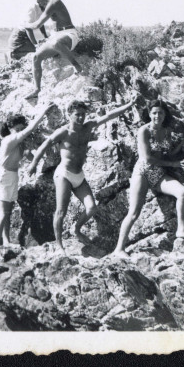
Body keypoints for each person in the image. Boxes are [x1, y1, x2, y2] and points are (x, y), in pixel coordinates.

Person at [26, 97, 137, 254]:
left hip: (79, 175)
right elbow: (45, 145)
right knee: (61, 211)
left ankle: (76, 229)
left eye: (83, 114)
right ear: (70, 114)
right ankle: (59, 246)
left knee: (92, 207)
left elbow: (109, 116)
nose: (81, 117)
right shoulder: (63, 132)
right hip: (63, 174)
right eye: (77, 114)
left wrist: (129, 105)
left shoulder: (88, 127)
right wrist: (33, 165)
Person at [112, 99, 184, 257]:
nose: (157, 115)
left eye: (160, 112)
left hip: (158, 174)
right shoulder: (144, 131)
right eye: (154, 113)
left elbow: (168, 153)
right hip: (142, 172)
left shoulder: (167, 131)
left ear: (165, 114)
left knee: (183, 192)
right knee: (134, 212)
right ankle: (119, 249)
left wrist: (183, 143)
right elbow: (147, 158)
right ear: (149, 114)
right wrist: (174, 165)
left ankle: (181, 230)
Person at [0, 104, 54, 261]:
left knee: (8, 212)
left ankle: (6, 241)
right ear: (11, 128)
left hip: (12, 176)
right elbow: (30, 129)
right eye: (17, 129)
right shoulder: (9, 139)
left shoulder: (18, 144)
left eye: (20, 129)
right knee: (1, 214)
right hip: (3, 177)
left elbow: (30, 157)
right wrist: (44, 111)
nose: (19, 132)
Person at [23, 0, 83, 99]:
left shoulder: (53, 2)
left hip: (69, 34)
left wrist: (26, 25)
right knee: (36, 57)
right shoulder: (49, 1)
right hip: (56, 35)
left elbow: (37, 24)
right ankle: (36, 89)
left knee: (56, 43)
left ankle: (76, 66)